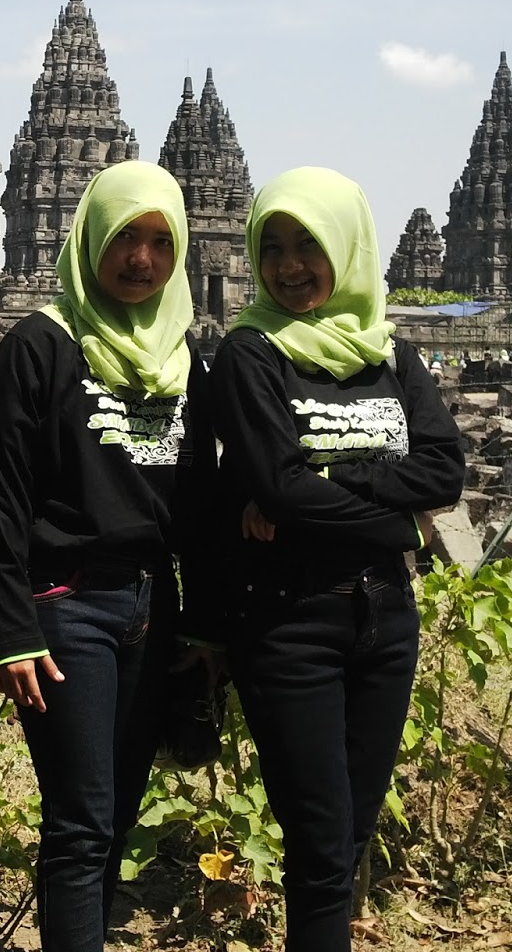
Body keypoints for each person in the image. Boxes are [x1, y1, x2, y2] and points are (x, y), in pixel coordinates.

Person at [198, 167, 465, 952]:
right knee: (318, 846)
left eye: (309, 246)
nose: (289, 266)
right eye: (272, 247)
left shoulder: (393, 353)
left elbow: (444, 472)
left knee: (349, 836)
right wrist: (398, 522)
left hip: (386, 618)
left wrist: (333, 479)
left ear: (348, 250)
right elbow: (279, 491)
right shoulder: (252, 354)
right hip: (289, 622)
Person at [0, 161, 209, 952]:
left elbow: (203, 497)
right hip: (65, 607)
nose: (139, 259)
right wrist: (11, 629)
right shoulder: (40, 347)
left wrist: (207, 625)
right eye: (122, 238)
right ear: (89, 239)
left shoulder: (182, 360)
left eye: (157, 242)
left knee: (116, 817)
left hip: (153, 607)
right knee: (80, 821)